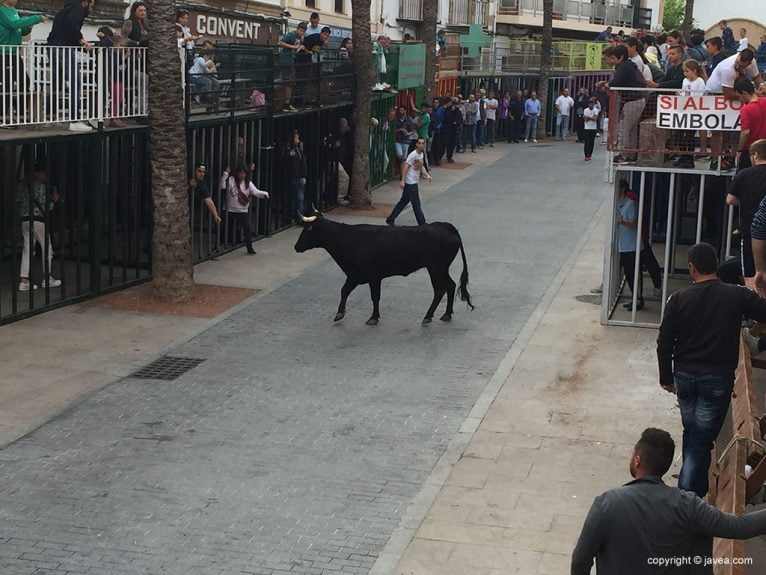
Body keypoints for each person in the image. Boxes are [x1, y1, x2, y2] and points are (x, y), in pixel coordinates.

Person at [571, 427, 766, 575]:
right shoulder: (688, 505)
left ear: (637, 459)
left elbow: (580, 561)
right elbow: (741, 527)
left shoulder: (606, 504)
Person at [657, 242, 766, 497]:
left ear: (691, 268)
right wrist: (759, 288)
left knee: (694, 433)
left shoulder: (678, 299)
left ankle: (691, 491)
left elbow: (664, 342)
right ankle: (688, 495)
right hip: (717, 380)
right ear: (716, 265)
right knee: (700, 438)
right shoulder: (736, 295)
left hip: (684, 376)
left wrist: (666, 377)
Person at [706, 50, 763, 172]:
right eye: (738, 62)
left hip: (736, 92)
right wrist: (750, 95)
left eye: (742, 65)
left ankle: (730, 158)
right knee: (717, 130)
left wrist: (762, 86)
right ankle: (716, 159)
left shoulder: (752, 63)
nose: (738, 66)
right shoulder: (728, 68)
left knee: (733, 129)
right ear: (738, 56)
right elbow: (728, 94)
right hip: (716, 94)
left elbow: (757, 77)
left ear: (748, 63)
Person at [47, 0, 94, 132]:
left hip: (53, 47)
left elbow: (66, 31)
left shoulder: (63, 10)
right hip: (63, 49)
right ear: (85, 2)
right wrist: (81, 39)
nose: (92, 7)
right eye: (91, 4)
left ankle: (50, 118)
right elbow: (71, 23)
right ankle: (75, 120)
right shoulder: (77, 8)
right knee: (75, 82)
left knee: (57, 82)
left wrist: (82, 46)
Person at [725, 139, 766, 292]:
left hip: (749, 231)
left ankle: (755, 309)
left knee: (750, 275)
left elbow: (730, 199)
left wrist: (747, 200)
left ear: (755, 155)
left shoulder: (744, 174)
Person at [596, 45, 645, 164]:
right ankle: (631, 154)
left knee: (623, 128)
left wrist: (605, 85)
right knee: (631, 129)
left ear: (620, 57)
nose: (611, 61)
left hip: (632, 100)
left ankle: (623, 154)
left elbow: (615, 83)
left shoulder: (623, 66)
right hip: (637, 100)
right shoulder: (629, 65)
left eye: (613, 58)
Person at [0, 0, 46, 126]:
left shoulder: (14, 11)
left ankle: (20, 113)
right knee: (7, 84)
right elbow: (14, 24)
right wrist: (35, 18)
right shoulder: (2, 10)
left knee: (23, 82)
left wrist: (29, 26)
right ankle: (3, 116)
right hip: (4, 52)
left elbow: (21, 30)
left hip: (15, 53)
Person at [18, 162, 61, 291]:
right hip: (38, 220)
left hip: (25, 221)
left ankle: (24, 280)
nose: (46, 175)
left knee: (28, 249)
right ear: (38, 173)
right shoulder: (41, 186)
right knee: (47, 249)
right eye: (44, 173)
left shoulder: (26, 186)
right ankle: (47, 278)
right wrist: (54, 200)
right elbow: (46, 207)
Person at [221, 165, 268, 255]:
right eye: (240, 172)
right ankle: (221, 244)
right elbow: (222, 186)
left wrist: (264, 194)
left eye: (244, 173)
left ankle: (249, 248)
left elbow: (256, 192)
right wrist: (225, 174)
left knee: (247, 229)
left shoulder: (248, 183)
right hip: (229, 209)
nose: (242, 175)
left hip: (242, 210)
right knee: (223, 227)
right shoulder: (231, 180)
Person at [386, 138, 431, 226]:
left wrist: (427, 175)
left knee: (404, 201)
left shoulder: (421, 154)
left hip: (413, 181)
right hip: (411, 183)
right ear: (416, 145)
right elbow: (406, 166)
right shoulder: (413, 154)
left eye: (423, 143)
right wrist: (403, 180)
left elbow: (420, 166)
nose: (421, 145)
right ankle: (422, 223)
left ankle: (391, 218)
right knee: (416, 203)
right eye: (419, 143)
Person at [616, 178, 643, 311]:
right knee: (628, 272)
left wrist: (622, 222)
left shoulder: (630, 204)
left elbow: (633, 224)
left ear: (622, 189)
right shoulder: (617, 204)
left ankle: (638, 299)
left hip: (632, 245)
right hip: (623, 245)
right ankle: (634, 297)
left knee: (634, 273)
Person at [734, 79, 766, 171]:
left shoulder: (746, 109)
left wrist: (739, 150)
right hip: (764, 147)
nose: (740, 99)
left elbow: (746, 132)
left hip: (750, 149)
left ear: (744, 93)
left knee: (744, 178)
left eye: (739, 96)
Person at [277, 21, 307, 112]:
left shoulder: (300, 37)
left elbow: (300, 45)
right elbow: (279, 43)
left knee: (291, 82)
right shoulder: (291, 35)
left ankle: (287, 102)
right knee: (289, 82)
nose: (301, 33)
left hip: (291, 60)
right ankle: (286, 104)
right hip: (286, 60)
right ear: (297, 29)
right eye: (301, 30)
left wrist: (301, 46)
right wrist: (292, 47)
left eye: (303, 31)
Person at [286, 130, 308, 219]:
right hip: (290, 176)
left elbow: (303, 162)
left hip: (297, 177)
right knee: (291, 198)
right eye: (296, 137)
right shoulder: (288, 149)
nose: (298, 139)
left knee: (299, 199)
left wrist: (303, 175)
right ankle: (290, 216)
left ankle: (299, 217)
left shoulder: (298, 149)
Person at [333, 117, 354, 205]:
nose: (345, 128)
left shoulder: (345, 135)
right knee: (345, 178)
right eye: (343, 126)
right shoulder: (336, 136)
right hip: (334, 161)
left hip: (341, 161)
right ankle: (340, 198)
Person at [443, 97, 462, 162]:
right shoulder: (447, 110)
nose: (454, 105)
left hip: (455, 130)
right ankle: (448, 155)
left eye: (455, 104)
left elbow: (460, 120)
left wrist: (457, 122)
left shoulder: (458, 111)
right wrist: (451, 111)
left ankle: (450, 156)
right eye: (453, 103)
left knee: (453, 144)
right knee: (447, 144)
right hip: (448, 129)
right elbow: (446, 118)